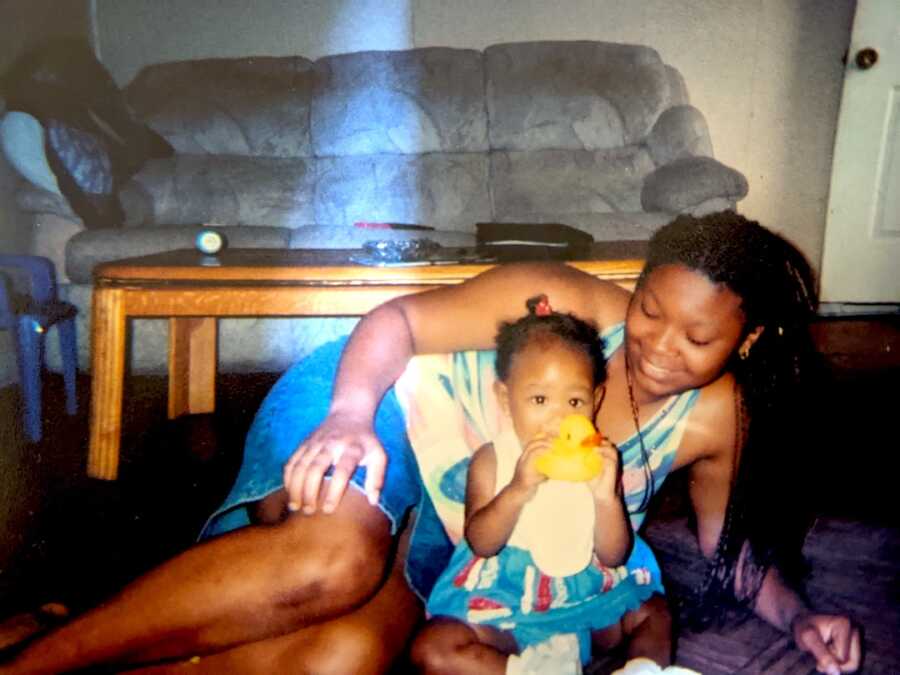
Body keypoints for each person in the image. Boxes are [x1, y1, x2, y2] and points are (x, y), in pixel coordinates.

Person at [0, 212, 861, 675]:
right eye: (649, 309)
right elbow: (397, 321)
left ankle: (63, 633)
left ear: (746, 344)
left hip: (456, 530)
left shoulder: (719, 417)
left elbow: (732, 556)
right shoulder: (558, 301)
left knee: (343, 658)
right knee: (333, 559)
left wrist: (803, 618)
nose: (655, 345)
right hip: (379, 403)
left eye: (697, 338)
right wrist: (346, 413)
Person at [414, 296, 652, 674]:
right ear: (506, 400)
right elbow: (481, 541)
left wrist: (606, 497)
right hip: (507, 606)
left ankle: (644, 670)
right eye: (539, 399)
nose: (558, 417)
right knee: (435, 647)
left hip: (586, 602)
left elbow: (614, 555)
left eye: (574, 400)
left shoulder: (601, 461)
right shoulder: (492, 460)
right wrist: (517, 489)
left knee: (653, 613)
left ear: (596, 399)